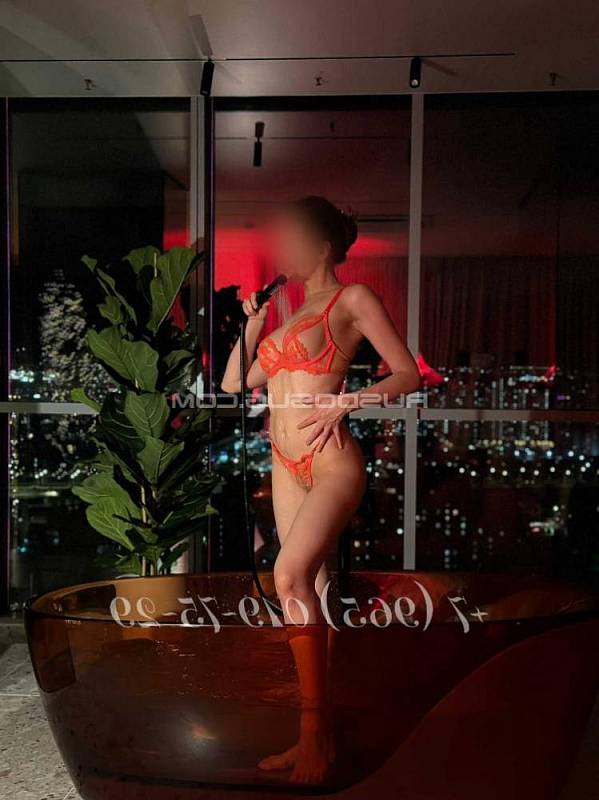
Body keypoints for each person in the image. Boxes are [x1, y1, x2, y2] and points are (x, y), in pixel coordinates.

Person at [221, 196, 421, 784]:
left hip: (331, 462)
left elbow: (407, 373)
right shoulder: (285, 316)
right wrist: (253, 324)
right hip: (284, 464)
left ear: (324, 246)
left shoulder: (351, 299)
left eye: (293, 238)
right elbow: (234, 384)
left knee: (287, 576)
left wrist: (346, 401)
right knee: (311, 591)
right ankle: (318, 737)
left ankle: (313, 739)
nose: (282, 249)